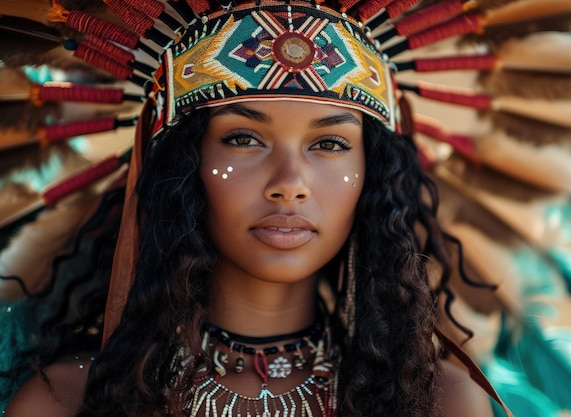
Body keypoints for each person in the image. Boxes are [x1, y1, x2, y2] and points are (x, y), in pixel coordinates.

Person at [3, 1, 513, 416]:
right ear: (180, 168)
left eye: (331, 144)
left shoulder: (439, 404)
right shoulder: (65, 403)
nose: (289, 185)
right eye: (244, 138)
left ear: (375, 174)